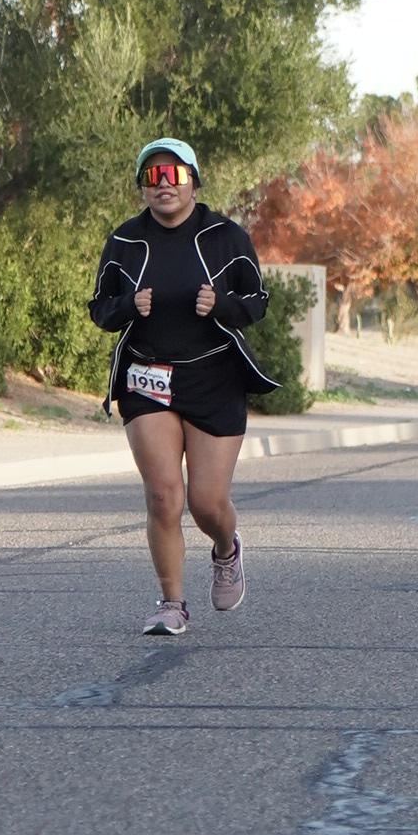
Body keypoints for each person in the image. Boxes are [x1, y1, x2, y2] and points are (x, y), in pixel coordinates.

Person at [87, 138, 276, 634]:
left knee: (206, 503)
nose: (163, 185)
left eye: (174, 174)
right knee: (163, 497)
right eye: (152, 177)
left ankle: (226, 548)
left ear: (193, 180)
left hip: (214, 377)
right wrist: (127, 306)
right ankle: (171, 603)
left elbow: (257, 301)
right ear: (142, 187)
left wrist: (222, 305)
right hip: (147, 377)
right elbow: (100, 308)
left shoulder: (225, 236)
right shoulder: (125, 241)